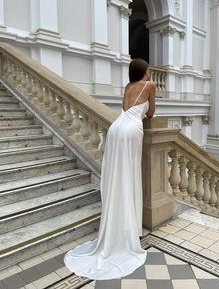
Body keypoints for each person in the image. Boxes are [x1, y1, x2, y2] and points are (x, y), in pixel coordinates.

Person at [64, 58, 156, 280]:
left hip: (116, 129)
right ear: (144, 71)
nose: (150, 73)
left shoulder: (127, 86)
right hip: (131, 129)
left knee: (118, 175)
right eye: (149, 70)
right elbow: (150, 113)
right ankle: (127, 229)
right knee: (128, 175)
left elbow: (126, 108)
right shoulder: (150, 85)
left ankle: (118, 225)